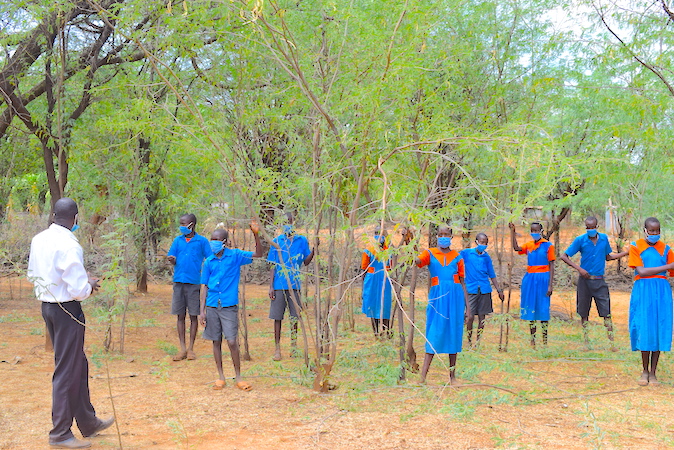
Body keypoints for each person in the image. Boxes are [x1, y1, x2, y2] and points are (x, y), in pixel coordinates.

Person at [28, 198, 113, 449]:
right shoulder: (69, 245)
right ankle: (60, 433)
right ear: (76, 218)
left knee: (77, 364)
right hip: (68, 311)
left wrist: (79, 283)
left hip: (49, 307)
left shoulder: (39, 239)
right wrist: (90, 285)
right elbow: (78, 290)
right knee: (67, 370)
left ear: (54, 215)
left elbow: (34, 273)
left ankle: (88, 421)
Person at [199, 223, 263, 390]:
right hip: (212, 304)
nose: (213, 242)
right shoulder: (208, 261)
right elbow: (204, 286)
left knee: (232, 341)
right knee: (216, 341)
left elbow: (258, 254)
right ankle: (220, 376)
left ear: (225, 242)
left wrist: (256, 234)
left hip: (229, 305)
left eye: (217, 240)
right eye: (212, 240)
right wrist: (202, 311)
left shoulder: (235, 256)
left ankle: (238, 376)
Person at [560, 216, 628, 350]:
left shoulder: (603, 239)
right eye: (588, 228)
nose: (590, 230)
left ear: (597, 227)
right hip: (584, 281)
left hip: (599, 281)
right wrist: (579, 269)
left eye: (593, 227)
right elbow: (564, 256)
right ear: (586, 228)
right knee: (584, 312)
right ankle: (586, 342)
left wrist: (625, 253)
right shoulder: (580, 240)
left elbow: (608, 257)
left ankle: (612, 343)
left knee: (606, 312)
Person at [415, 225, 470, 384]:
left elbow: (462, 281)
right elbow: (418, 261)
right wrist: (410, 245)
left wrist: (468, 307)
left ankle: (452, 376)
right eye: (440, 234)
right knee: (434, 331)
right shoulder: (429, 253)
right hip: (437, 296)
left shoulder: (458, 257)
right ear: (436, 236)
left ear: (451, 236)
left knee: (454, 332)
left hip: (455, 297)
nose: (443, 236)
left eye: (446, 234)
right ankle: (423, 377)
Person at [627, 217, 674, 386]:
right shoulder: (636, 246)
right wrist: (668, 267)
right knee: (645, 326)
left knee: (659, 327)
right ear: (645, 230)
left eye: (657, 231)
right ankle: (644, 370)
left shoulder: (667, 249)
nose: (654, 234)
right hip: (643, 289)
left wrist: (670, 267)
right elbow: (642, 271)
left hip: (662, 291)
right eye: (651, 231)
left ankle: (653, 372)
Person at [267, 213, 316, 361]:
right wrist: (271, 286)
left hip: (295, 285)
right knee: (277, 317)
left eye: (289, 222)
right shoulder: (276, 242)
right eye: (284, 222)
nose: (287, 224)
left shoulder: (301, 241)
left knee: (295, 317)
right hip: (279, 285)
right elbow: (272, 265)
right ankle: (277, 349)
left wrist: (314, 249)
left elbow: (306, 262)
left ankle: (294, 347)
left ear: (293, 222)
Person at [167, 213, 212, 361]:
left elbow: (210, 259)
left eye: (183, 223)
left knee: (193, 316)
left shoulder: (202, 242)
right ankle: (182, 348)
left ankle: (191, 348)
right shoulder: (178, 241)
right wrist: (172, 260)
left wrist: (208, 278)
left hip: (194, 283)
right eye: (180, 223)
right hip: (179, 282)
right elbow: (172, 257)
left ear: (191, 224)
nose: (181, 226)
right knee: (180, 316)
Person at [509, 222, 555, 348]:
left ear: (541, 231)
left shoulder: (548, 246)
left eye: (536, 230)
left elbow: (552, 265)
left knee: (543, 307)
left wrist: (550, 285)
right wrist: (513, 232)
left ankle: (545, 341)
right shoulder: (529, 245)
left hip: (543, 277)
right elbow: (517, 248)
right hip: (530, 278)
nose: (534, 233)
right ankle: (533, 341)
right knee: (531, 308)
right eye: (532, 230)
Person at [460, 232, 505, 347]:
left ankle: (478, 342)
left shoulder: (486, 257)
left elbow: (491, 274)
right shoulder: (467, 253)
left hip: (484, 289)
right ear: (476, 242)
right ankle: (469, 341)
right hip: (471, 289)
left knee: (482, 317)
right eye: (481, 242)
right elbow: (455, 260)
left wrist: (499, 290)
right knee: (469, 316)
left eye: (485, 243)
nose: (483, 244)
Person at [361, 230, 393, 338]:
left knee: (385, 304)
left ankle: (386, 330)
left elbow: (392, 266)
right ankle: (376, 333)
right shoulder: (369, 249)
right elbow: (364, 268)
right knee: (373, 305)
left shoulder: (388, 250)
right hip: (372, 280)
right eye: (376, 232)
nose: (378, 236)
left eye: (380, 233)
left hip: (385, 278)